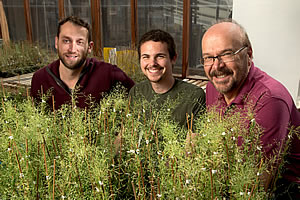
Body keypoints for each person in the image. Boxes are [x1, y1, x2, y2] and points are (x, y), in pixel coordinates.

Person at [201, 19, 300, 198]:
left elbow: (259, 181)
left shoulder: (269, 99)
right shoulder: (213, 87)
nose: (217, 67)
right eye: (209, 57)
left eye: (227, 54)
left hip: (283, 188)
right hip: (232, 174)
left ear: (249, 53)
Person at [30, 16, 134, 110]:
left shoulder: (109, 74)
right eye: (66, 41)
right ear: (56, 42)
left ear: (89, 47)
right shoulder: (40, 79)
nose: (72, 49)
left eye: (79, 42)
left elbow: (140, 99)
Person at [129, 29, 205, 128]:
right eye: (146, 57)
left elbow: (193, 142)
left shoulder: (194, 96)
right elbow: (126, 133)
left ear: (173, 58)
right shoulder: (136, 92)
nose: (152, 63)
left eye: (160, 56)